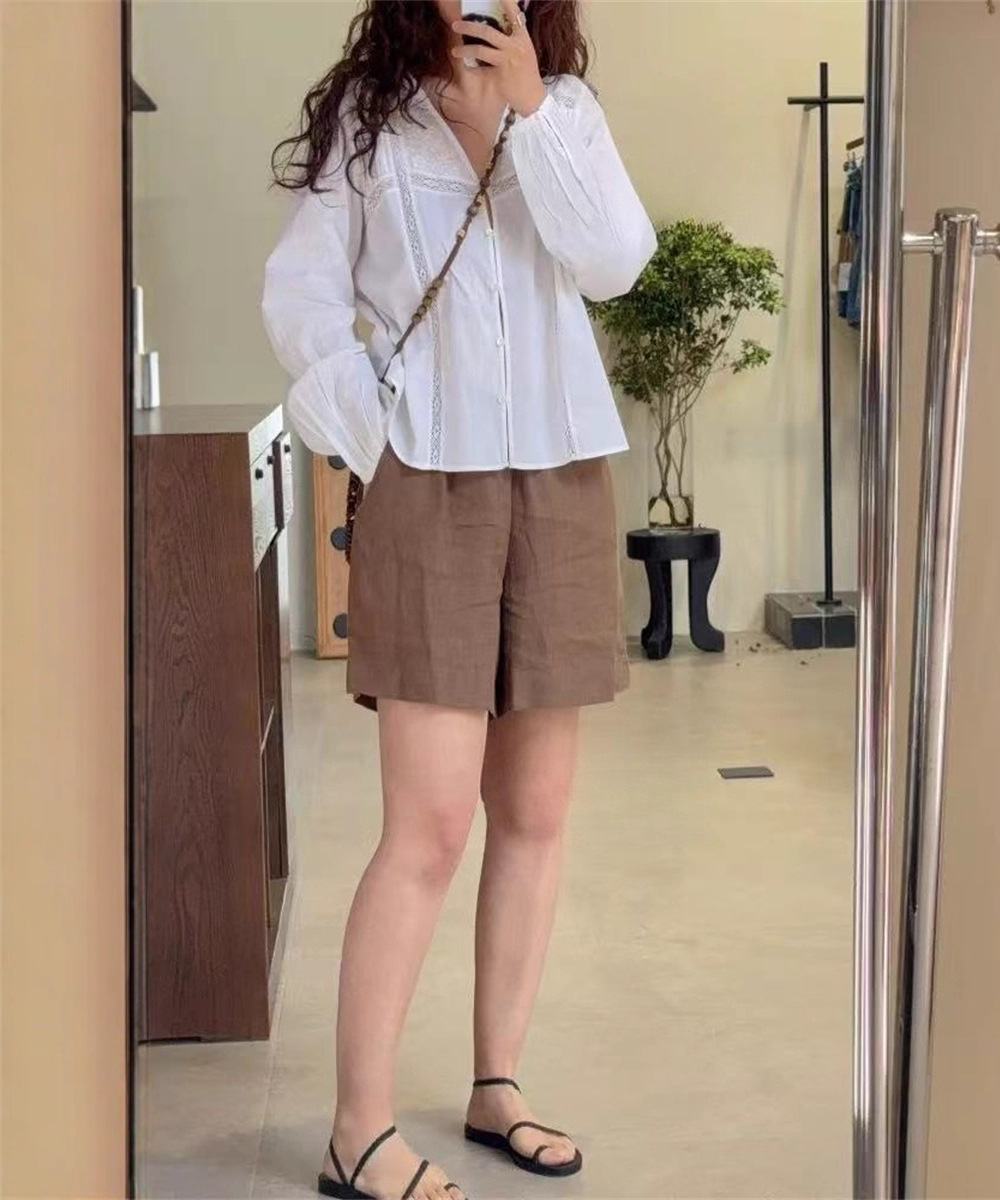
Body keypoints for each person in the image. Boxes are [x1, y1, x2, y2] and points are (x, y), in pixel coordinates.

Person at [262, 1, 655, 1196]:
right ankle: (358, 1132)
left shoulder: (566, 108)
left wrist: (530, 111)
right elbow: (300, 295)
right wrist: (375, 436)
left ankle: (498, 1084)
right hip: (430, 477)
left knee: (534, 811)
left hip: (562, 469)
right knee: (429, 826)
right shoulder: (371, 119)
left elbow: (614, 263)